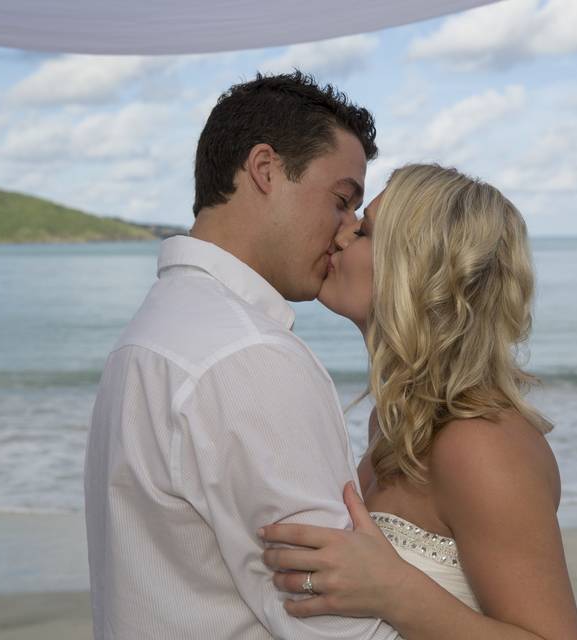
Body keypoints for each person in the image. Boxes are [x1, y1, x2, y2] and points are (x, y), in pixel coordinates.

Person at [83, 71, 401, 639]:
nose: (347, 231)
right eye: (341, 200)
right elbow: (336, 627)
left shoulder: (150, 332)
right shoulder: (247, 356)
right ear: (265, 169)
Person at [259, 164, 577, 639]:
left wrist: (395, 591)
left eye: (365, 229)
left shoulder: (479, 444)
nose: (341, 232)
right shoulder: (393, 424)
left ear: (419, 268)